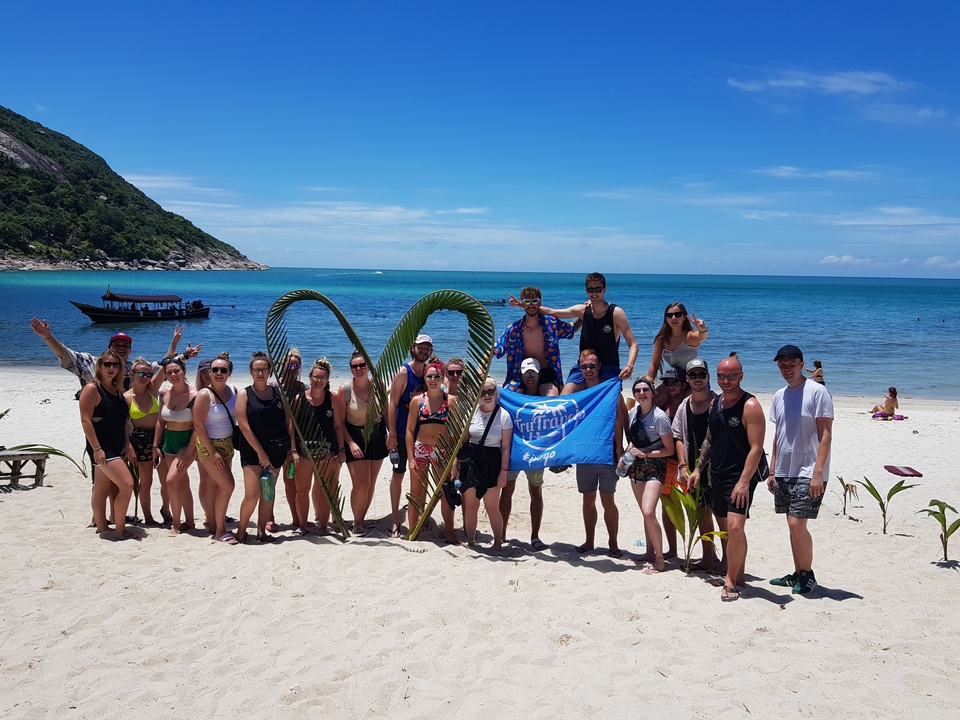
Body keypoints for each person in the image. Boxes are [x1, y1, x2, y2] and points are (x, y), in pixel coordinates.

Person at [687, 356, 766, 601]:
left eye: (731, 376)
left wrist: (743, 482)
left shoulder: (750, 405)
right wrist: (699, 470)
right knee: (728, 530)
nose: (726, 380)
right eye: (722, 376)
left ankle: (730, 581)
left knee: (735, 527)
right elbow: (709, 439)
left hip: (739, 476)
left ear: (741, 376)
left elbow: (756, 447)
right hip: (716, 474)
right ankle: (738, 575)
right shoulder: (716, 402)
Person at [768, 345, 834, 595]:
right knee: (791, 523)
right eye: (781, 365)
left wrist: (818, 473)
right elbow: (779, 434)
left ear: (801, 364)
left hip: (809, 470)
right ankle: (797, 573)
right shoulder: (779, 395)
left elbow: (825, 434)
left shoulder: (817, 392)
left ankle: (807, 575)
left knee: (797, 524)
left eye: (791, 364)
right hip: (785, 469)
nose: (786, 369)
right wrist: (773, 470)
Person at [563, 349, 628, 558]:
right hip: (585, 454)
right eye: (584, 367)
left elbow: (619, 418)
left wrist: (620, 449)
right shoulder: (579, 393)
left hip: (607, 453)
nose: (589, 370)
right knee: (587, 499)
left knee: (608, 500)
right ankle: (589, 541)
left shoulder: (609, 389)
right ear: (579, 369)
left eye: (592, 366)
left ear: (599, 366)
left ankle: (613, 544)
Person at [539, 273, 639, 393]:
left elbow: (633, 344)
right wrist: (526, 305)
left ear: (604, 289)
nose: (594, 293)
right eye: (590, 289)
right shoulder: (583, 311)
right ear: (586, 291)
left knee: (609, 399)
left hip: (608, 367)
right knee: (565, 397)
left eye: (598, 289)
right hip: (584, 366)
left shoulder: (616, 313)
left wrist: (629, 366)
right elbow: (552, 311)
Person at [235, 352, 298, 543]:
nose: (260, 373)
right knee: (252, 494)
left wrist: (293, 449)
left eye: (264, 369)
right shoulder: (244, 394)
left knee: (268, 493)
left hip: (276, 450)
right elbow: (243, 425)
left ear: (269, 371)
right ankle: (241, 531)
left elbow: (289, 422)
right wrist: (260, 453)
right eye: (257, 370)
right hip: (252, 451)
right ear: (251, 372)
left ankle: (261, 532)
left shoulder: (279, 394)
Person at [79, 351, 138, 540]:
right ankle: (120, 528)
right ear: (100, 366)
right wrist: (97, 449)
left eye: (116, 365)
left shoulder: (117, 390)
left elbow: (122, 422)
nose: (111, 368)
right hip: (102, 445)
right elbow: (86, 420)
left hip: (116, 444)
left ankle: (102, 526)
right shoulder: (92, 389)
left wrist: (127, 445)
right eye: (107, 364)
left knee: (101, 486)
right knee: (127, 484)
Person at [501, 357, 556, 551]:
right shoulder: (514, 395)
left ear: (539, 374)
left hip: (536, 453)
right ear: (521, 375)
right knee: (507, 490)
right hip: (515, 451)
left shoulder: (546, 397)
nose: (530, 377)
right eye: (526, 374)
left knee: (536, 492)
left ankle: (535, 536)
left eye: (533, 373)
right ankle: (502, 533)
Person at [621, 376, 675, 574]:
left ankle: (660, 561)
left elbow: (669, 449)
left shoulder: (660, 417)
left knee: (648, 511)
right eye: (637, 390)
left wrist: (646, 454)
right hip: (636, 467)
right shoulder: (633, 413)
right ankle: (649, 553)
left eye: (645, 390)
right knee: (645, 514)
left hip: (655, 466)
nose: (641, 393)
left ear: (653, 393)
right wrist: (626, 454)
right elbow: (632, 439)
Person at [673, 358, 721, 572]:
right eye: (693, 375)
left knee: (723, 518)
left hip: (717, 470)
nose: (698, 379)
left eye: (702, 375)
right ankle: (708, 558)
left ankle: (728, 562)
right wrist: (683, 466)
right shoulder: (685, 405)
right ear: (687, 379)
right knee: (702, 515)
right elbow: (678, 437)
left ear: (708, 377)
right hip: (693, 471)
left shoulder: (719, 403)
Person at [453, 377, 511, 551]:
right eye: (483, 392)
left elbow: (506, 447)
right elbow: (462, 442)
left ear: (496, 392)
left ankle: (498, 543)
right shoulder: (472, 413)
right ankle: (471, 541)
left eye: (490, 392)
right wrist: (455, 465)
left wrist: (503, 472)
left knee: (492, 506)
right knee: (471, 505)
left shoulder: (504, 416)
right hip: (472, 460)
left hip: (492, 460)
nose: (487, 395)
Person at [293, 358, 347, 535]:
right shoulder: (299, 399)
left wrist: (341, 449)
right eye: (316, 377)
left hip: (327, 453)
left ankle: (323, 526)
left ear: (327, 379)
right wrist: (293, 451)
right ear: (310, 377)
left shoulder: (333, 398)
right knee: (302, 491)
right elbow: (291, 427)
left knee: (325, 491)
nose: (319, 380)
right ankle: (302, 525)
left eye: (322, 378)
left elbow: (338, 425)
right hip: (303, 453)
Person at [386, 334, 432, 537]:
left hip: (423, 435)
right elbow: (393, 403)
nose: (424, 350)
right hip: (403, 434)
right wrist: (392, 433)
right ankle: (396, 521)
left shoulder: (430, 374)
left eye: (427, 348)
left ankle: (419, 515)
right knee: (399, 475)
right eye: (421, 347)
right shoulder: (404, 373)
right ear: (413, 348)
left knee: (421, 477)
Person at [339, 350, 388, 535]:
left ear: (368, 366)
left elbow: (385, 411)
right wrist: (350, 443)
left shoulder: (379, 385)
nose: (359, 369)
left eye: (362, 365)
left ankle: (363, 518)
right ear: (351, 369)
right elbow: (339, 422)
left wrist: (391, 435)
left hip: (376, 435)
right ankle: (357, 522)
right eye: (355, 366)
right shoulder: (345, 390)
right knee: (360, 483)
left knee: (371, 482)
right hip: (354, 436)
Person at [405, 361, 456, 539]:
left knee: (444, 491)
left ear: (443, 378)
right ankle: (412, 532)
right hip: (421, 449)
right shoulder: (417, 401)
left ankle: (450, 533)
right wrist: (411, 458)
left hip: (443, 451)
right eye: (429, 376)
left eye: (437, 376)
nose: (433, 379)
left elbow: (457, 432)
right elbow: (410, 430)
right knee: (416, 492)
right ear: (425, 378)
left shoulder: (450, 401)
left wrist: (454, 460)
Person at [192, 352, 239, 544]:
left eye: (223, 370)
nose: (219, 373)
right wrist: (212, 451)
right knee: (228, 485)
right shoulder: (204, 394)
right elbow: (198, 425)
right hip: (209, 446)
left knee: (215, 485)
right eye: (215, 370)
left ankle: (212, 523)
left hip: (228, 444)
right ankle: (220, 531)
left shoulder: (234, 390)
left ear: (229, 372)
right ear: (209, 373)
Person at [498, 286, 576, 392]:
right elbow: (495, 349)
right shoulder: (514, 329)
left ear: (539, 303)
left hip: (545, 371)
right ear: (523, 303)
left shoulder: (551, 324)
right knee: (509, 397)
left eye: (534, 301)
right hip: (520, 373)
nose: (531, 305)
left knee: (552, 399)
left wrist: (585, 313)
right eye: (527, 302)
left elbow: (571, 330)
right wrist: (480, 370)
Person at [154, 356, 198, 536]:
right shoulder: (164, 393)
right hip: (168, 442)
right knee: (182, 482)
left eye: (176, 371)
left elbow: (197, 428)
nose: (173, 374)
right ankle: (190, 520)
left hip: (186, 441)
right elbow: (160, 421)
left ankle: (176, 524)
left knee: (171, 480)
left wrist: (189, 453)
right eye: (169, 372)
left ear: (184, 371)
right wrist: (155, 444)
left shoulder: (194, 395)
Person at [124, 356, 169, 526]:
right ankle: (148, 517)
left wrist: (175, 345)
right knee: (147, 481)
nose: (145, 377)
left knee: (166, 480)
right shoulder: (127, 397)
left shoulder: (152, 390)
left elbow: (165, 366)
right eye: (141, 373)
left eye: (148, 374)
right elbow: (123, 426)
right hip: (139, 441)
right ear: (132, 373)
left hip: (159, 438)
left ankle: (166, 512)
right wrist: (128, 446)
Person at [271, 348, 306, 533]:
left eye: (296, 365)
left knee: (290, 480)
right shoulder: (274, 387)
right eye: (290, 364)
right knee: (270, 480)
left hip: (295, 443)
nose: (293, 368)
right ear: (283, 366)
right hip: (275, 441)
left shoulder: (302, 388)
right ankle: (269, 517)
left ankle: (295, 518)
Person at [646, 302, 709, 383]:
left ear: (684, 317)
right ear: (666, 318)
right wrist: (648, 384)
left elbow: (702, 337)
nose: (673, 318)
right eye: (669, 315)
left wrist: (702, 329)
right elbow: (654, 365)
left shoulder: (690, 336)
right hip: (674, 380)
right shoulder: (662, 339)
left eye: (678, 314)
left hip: (694, 380)